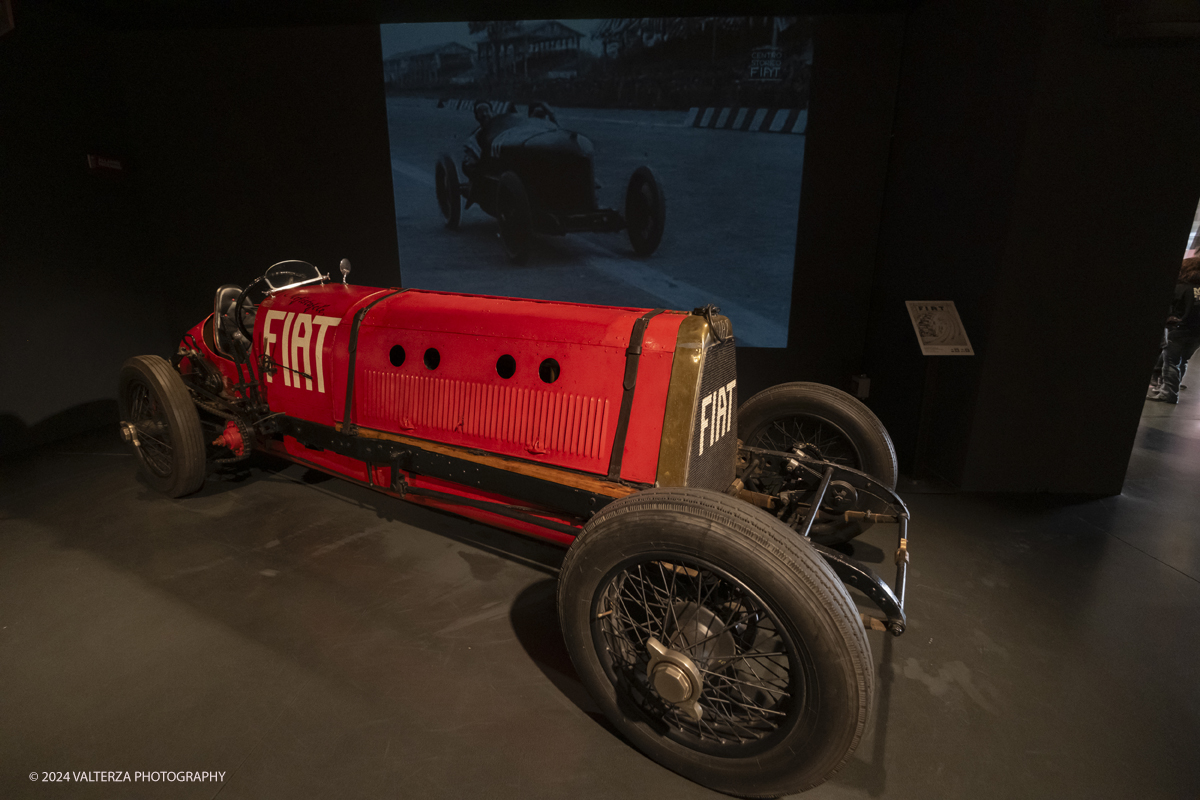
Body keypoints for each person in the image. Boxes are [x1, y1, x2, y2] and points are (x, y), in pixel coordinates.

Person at [1148, 255, 1200, 403]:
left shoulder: (1180, 287)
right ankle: (1170, 388)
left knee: (1170, 362)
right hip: (1197, 333)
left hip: (1178, 330)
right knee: (1183, 361)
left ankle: (1168, 393)